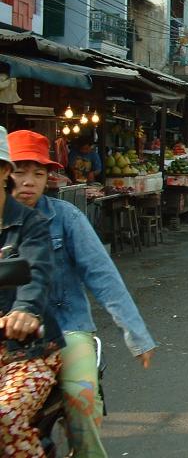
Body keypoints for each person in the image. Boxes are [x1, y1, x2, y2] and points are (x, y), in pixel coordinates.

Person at [8, 129, 156, 457]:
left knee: (81, 401)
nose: (28, 181)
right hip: (8, 334)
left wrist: (136, 335)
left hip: (66, 327)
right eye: (20, 170)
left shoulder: (66, 217)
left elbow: (103, 276)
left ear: (49, 177)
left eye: (39, 172)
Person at [0, 126, 65, 456]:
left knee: (4, 417)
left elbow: (36, 272)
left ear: (3, 171)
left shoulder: (32, 223)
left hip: (28, 350)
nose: (29, 181)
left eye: (36, 173)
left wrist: (24, 309)